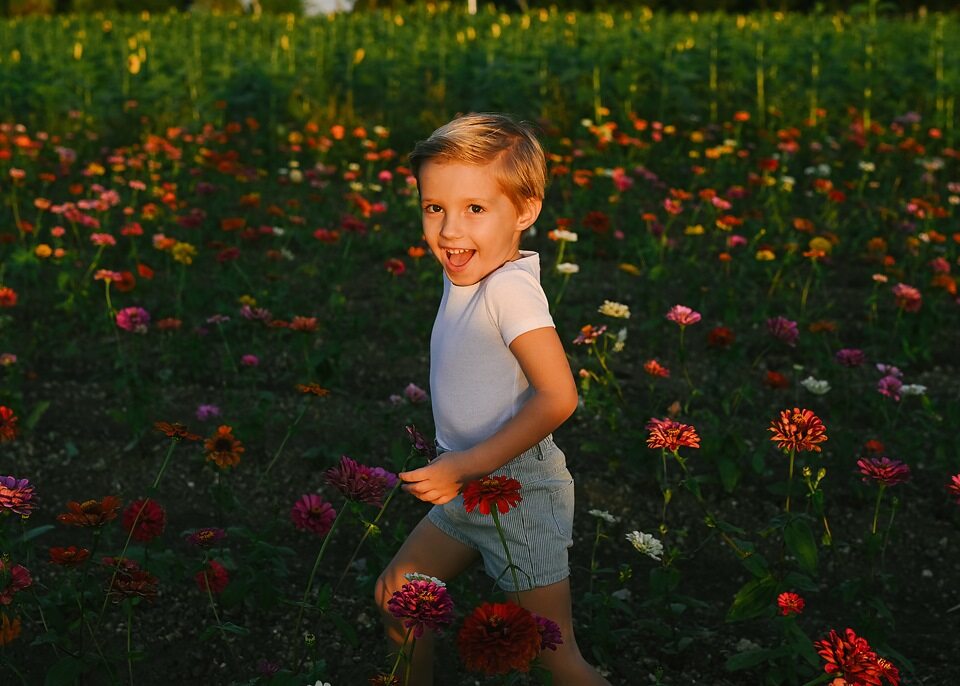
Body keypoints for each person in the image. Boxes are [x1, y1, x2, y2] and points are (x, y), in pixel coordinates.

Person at [374, 113, 611, 686]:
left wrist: (463, 464)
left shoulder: (508, 290)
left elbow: (559, 396)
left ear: (525, 211)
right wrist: (460, 467)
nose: (450, 231)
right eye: (436, 208)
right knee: (399, 596)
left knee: (554, 656)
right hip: (469, 484)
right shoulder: (472, 272)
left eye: (474, 209)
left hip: (516, 492)